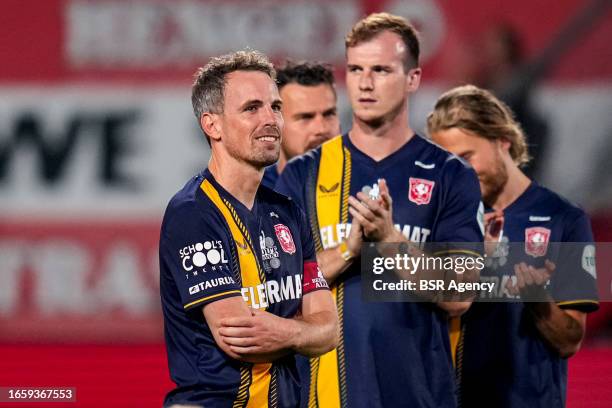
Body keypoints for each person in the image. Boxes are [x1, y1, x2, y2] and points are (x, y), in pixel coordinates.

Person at [275, 13, 483, 408]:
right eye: (355, 69)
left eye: (381, 70)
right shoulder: (303, 174)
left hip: (419, 395)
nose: (365, 83)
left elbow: (460, 294)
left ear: (413, 79)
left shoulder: (450, 174)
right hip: (321, 398)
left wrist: (388, 239)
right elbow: (277, 289)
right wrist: (350, 250)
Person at [159, 50, 339, 408]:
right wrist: (304, 330)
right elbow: (239, 337)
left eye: (275, 107)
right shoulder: (193, 213)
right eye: (251, 108)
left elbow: (330, 331)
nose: (270, 119)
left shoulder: (288, 212)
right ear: (212, 125)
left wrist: (285, 330)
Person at [427, 84, 599, 408]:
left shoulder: (564, 218)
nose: (457, 174)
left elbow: (569, 341)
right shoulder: (441, 223)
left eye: (466, 158)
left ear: (502, 140)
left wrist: (537, 299)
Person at [262, 60, 340, 188]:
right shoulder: (251, 197)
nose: (321, 129)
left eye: (329, 114)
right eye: (306, 117)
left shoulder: (366, 186)